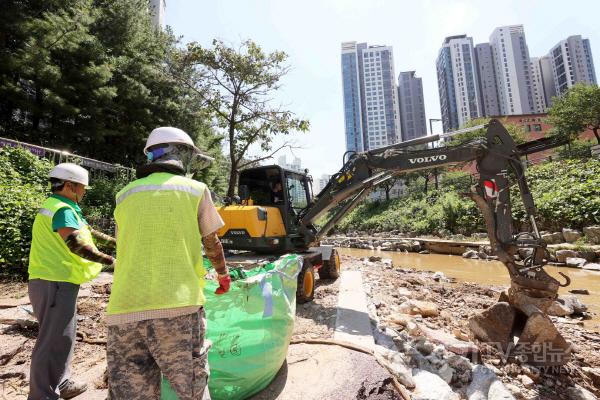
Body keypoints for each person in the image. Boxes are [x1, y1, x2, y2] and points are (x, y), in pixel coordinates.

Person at [106, 127, 230, 400]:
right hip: (178, 310)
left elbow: (124, 245)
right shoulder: (195, 190)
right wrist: (223, 274)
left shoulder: (124, 194)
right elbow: (212, 242)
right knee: (191, 391)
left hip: (124, 310)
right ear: (181, 153)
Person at [28, 163, 116, 400]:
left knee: (64, 336)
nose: (85, 192)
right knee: (51, 340)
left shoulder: (66, 208)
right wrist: (113, 262)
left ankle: (62, 383)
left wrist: (120, 243)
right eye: (83, 187)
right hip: (53, 282)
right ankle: (41, 395)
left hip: (59, 282)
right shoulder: (61, 210)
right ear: (69, 186)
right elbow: (76, 244)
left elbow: (92, 234)